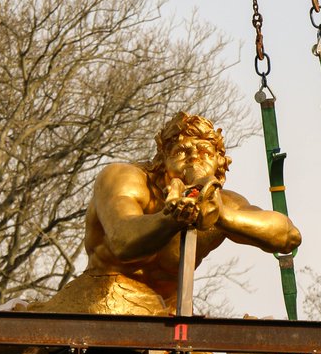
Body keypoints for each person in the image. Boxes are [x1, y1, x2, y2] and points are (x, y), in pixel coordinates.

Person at [29, 111, 301, 316]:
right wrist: (170, 219)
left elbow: (288, 236)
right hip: (105, 298)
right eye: (182, 150)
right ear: (162, 159)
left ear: (220, 162)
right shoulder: (125, 178)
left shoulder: (223, 203)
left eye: (205, 151)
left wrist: (224, 218)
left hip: (167, 317)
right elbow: (123, 242)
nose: (194, 158)